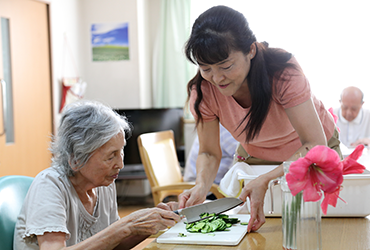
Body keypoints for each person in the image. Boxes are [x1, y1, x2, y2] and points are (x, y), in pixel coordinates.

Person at [178, 5, 342, 233]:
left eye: (226, 66)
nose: (217, 78)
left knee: (312, 224)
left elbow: (314, 144)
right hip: (256, 155)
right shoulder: (203, 91)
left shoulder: (283, 72)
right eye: (206, 68)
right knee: (251, 226)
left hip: (311, 152)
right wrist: (201, 186)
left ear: (251, 51)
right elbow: (208, 152)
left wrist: (268, 178)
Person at [13, 101, 181, 250]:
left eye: (121, 151)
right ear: (76, 159)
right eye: (110, 156)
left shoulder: (103, 183)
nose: (120, 164)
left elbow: (113, 244)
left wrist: (148, 225)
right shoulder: (49, 185)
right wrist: (127, 224)